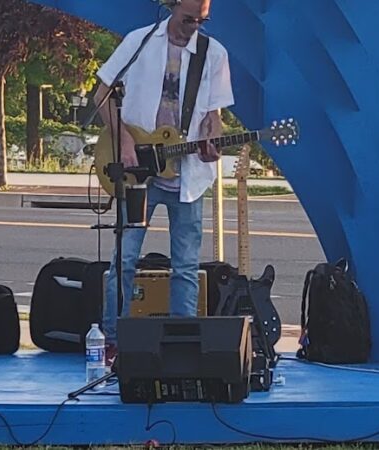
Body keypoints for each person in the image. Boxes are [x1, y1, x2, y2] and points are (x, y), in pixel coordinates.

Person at [95, 0, 234, 365]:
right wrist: (124, 139)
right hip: (138, 169)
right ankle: (114, 340)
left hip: (187, 175)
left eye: (202, 21)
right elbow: (102, 95)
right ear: (172, 8)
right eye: (188, 19)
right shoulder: (140, 42)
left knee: (186, 265)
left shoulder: (213, 53)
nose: (194, 27)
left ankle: (182, 342)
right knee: (124, 258)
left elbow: (214, 116)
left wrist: (211, 139)